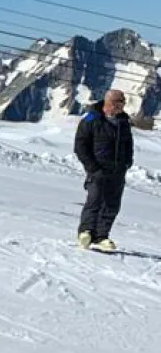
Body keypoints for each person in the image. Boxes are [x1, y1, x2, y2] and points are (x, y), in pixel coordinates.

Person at [75, 89, 133, 251]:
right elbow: (80, 144)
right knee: (94, 200)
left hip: (117, 170)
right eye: (121, 102)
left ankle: (102, 236)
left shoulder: (123, 121)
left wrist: (127, 162)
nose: (123, 105)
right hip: (98, 168)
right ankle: (85, 232)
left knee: (112, 204)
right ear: (111, 103)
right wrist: (92, 167)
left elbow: (128, 143)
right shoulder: (92, 118)